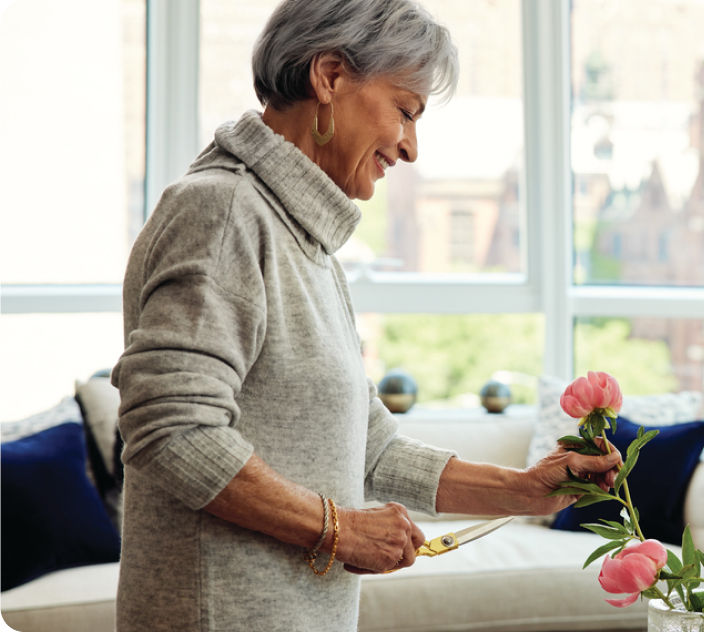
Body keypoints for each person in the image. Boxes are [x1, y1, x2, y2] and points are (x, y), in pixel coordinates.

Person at [111, 1, 621, 630]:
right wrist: (338, 528)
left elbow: (370, 450)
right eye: (405, 111)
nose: (410, 147)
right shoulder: (223, 213)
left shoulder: (305, 240)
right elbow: (172, 431)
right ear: (329, 77)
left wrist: (521, 490)